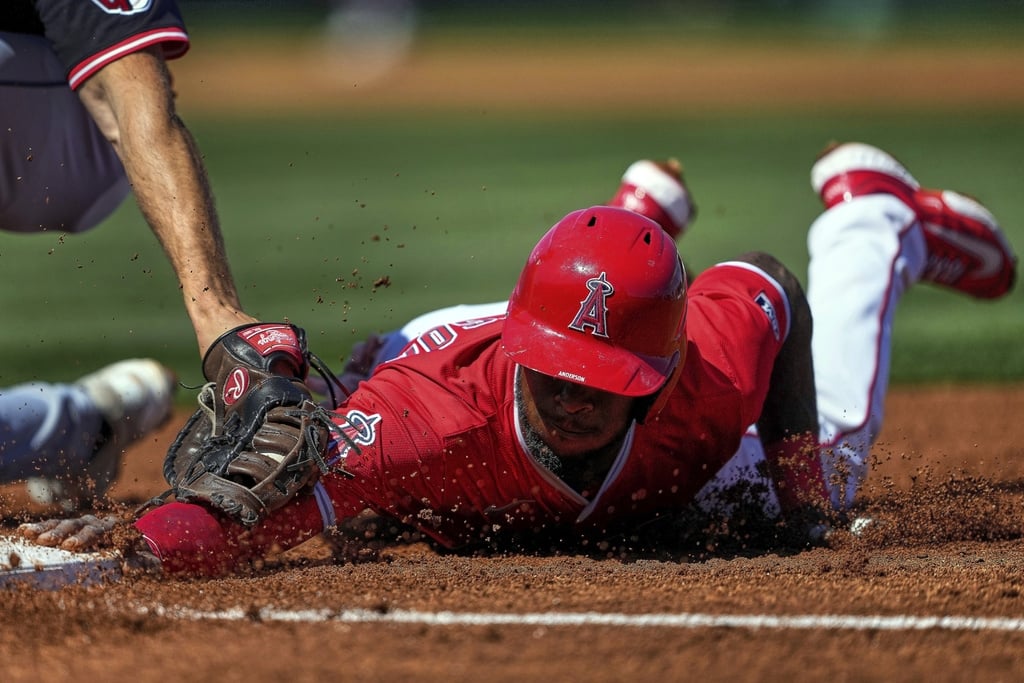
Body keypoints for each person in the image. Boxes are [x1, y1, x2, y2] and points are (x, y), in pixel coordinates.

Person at [20, 142, 1017, 576]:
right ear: (526, 354)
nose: (575, 401)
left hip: (554, 324)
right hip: (430, 358)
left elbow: (771, 288)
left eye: (602, 386)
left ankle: (871, 213)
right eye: (559, 378)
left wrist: (806, 502)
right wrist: (167, 534)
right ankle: (640, 227)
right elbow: (236, 519)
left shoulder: (701, 373)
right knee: (370, 507)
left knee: (832, 466)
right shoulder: (421, 426)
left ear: (654, 377)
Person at [1, 1, 261, 507]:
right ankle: (82, 425)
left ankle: (80, 424)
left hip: (56, 135)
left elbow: (129, 91)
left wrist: (219, 316)